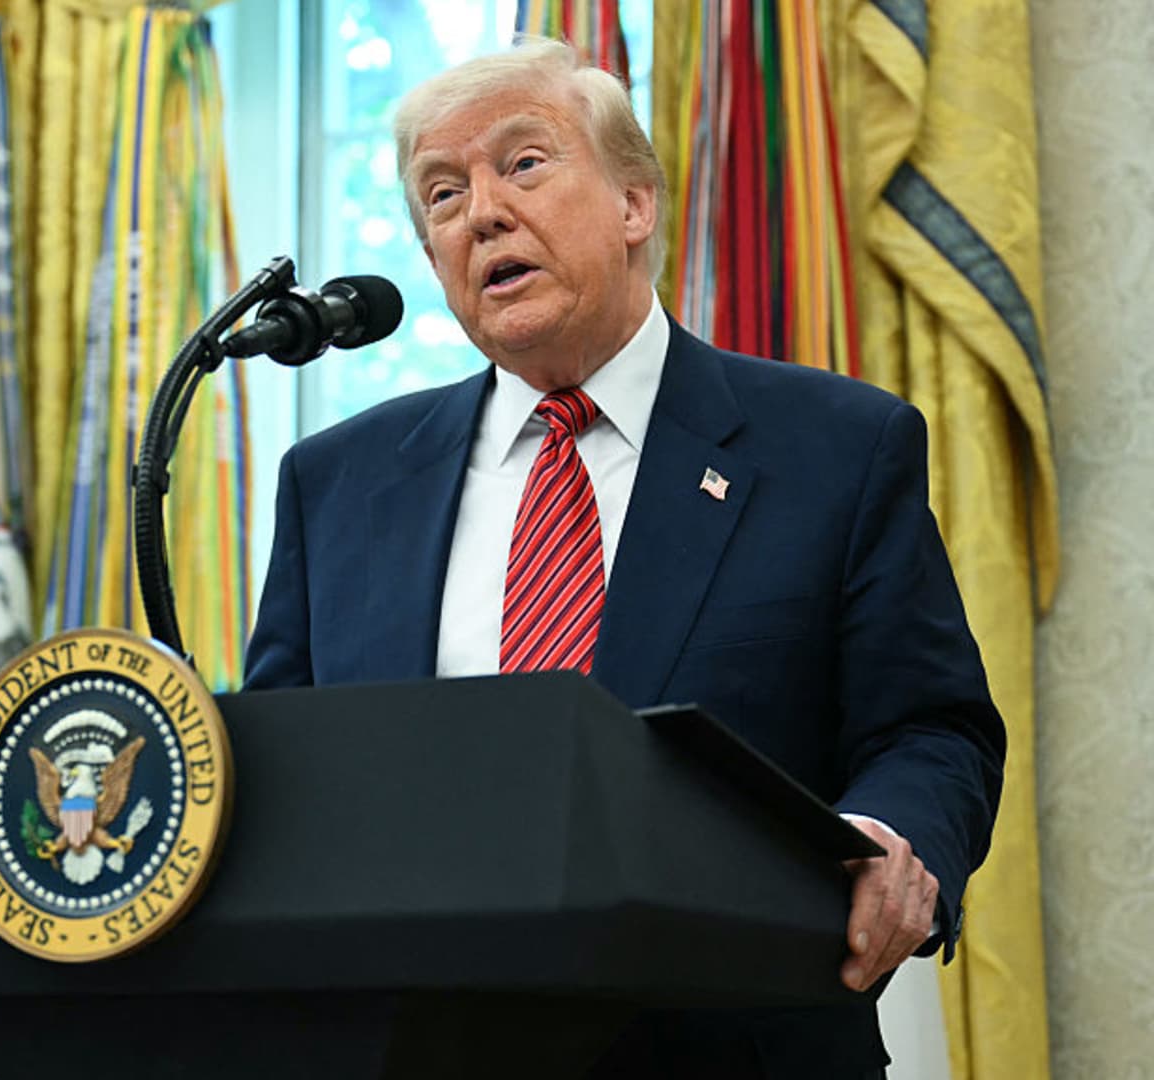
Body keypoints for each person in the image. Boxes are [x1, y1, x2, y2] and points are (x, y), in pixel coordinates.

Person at [241, 37, 1002, 1079]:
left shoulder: (835, 447)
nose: (483, 213)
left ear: (636, 204)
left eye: (523, 163)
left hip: (734, 1042)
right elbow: (288, 769)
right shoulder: (336, 483)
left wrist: (884, 837)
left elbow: (932, 726)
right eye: (443, 194)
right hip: (412, 1045)